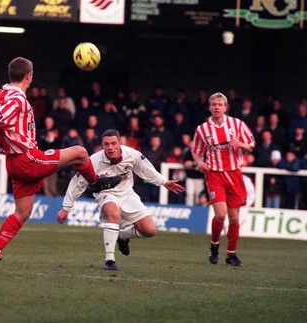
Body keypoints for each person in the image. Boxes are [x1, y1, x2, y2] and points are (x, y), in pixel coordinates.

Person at [0, 57, 124, 276]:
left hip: (13, 161)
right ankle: (97, 184)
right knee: (80, 152)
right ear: (29, 76)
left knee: (23, 212)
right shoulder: (17, 99)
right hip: (28, 158)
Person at [56, 129, 185, 271]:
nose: (110, 147)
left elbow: (146, 170)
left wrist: (164, 182)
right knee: (113, 213)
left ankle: (122, 235)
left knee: (149, 230)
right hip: (106, 194)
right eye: (106, 144)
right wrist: (66, 207)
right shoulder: (93, 160)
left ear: (120, 143)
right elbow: (78, 182)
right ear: (102, 145)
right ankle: (110, 260)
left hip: (127, 194)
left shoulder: (132, 155)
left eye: (113, 143)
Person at [192, 92, 255, 267]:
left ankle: (231, 255)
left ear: (225, 107)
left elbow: (251, 146)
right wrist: (199, 162)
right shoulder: (202, 129)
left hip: (234, 174)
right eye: (214, 104)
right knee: (220, 214)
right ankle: (214, 245)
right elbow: (196, 150)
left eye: (220, 104)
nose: (217, 107)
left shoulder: (238, 124)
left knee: (234, 219)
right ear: (209, 107)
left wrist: (241, 145)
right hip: (214, 174)